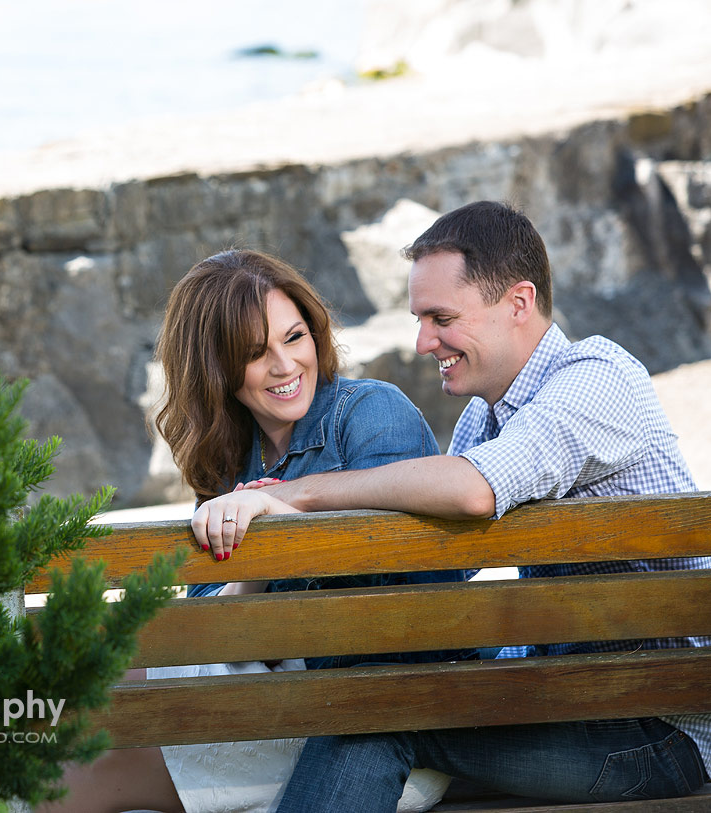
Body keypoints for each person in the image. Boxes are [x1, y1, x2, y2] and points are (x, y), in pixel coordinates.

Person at [195, 202, 710, 810]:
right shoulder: (485, 417)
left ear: (519, 302)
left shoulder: (595, 377)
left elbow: (474, 489)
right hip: (573, 693)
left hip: (656, 727)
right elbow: (442, 560)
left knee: (378, 713)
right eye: (420, 320)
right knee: (379, 697)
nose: (422, 342)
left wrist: (296, 495)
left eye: (440, 318)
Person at [39, 249, 470, 813]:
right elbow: (215, 624)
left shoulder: (370, 414)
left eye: (294, 338)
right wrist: (255, 572)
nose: (285, 366)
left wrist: (293, 539)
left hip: (369, 731)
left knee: (78, 762)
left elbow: (408, 607)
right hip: (267, 700)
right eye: (254, 353)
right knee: (70, 713)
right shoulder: (229, 459)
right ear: (215, 369)